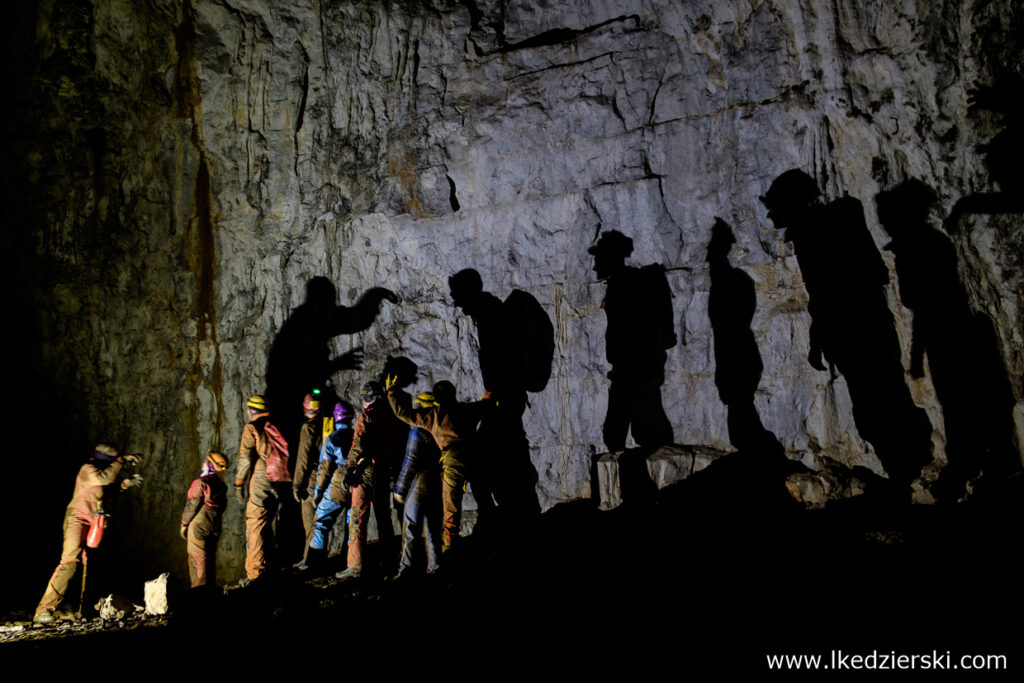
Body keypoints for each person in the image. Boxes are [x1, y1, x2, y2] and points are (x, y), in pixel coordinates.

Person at [587, 230, 677, 452]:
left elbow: (634, 331)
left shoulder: (626, 286)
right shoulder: (623, 284)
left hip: (633, 371)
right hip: (632, 370)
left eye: (599, 259)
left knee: (631, 431)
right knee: (634, 429)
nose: (595, 266)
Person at [34, 444, 143, 624]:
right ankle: (43, 610)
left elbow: (104, 490)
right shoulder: (88, 469)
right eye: (112, 459)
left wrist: (125, 484)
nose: (114, 462)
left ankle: (85, 609)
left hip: (91, 521)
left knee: (88, 564)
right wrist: (122, 460)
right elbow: (104, 478)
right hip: (76, 518)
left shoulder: (97, 473)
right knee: (69, 562)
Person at [386, 378, 494, 552]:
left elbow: (403, 413)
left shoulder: (432, 416)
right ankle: (492, 538)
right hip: (474, 458)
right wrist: (490, 392)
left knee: (451, 508)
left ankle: (450, 549)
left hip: (452, 462)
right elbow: (486, 405)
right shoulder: (467, 410)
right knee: (484, 499)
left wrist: (391, 392)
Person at [336, 382, 408, 581]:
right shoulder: (392, 417)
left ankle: (355, 565)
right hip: (384, 472)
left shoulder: (366, 417)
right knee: (384, 517)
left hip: (365, 472)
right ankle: (389, 561)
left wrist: (347, 470)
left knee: (358, 518)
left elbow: (358, 445)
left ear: (367, 398)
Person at [235, 394, 291, 581]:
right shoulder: (276, 424)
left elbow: (245, 458)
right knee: (267, 525)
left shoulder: (252, 427)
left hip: (262, 477)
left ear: (251, 410)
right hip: (280, 478)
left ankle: (255, 574)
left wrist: (239, 483)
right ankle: (272, 570)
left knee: (255, 523)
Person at [393, 393, 443, 578]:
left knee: (411, 526)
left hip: (419, 483)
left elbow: (410, 460)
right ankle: (435, 568)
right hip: (436, 482)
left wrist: (400, 489)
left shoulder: (417, 431)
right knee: (433, 527)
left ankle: (405, 569)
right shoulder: (438, 428)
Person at [304, 401, 355, 569]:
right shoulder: (357, 436)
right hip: (357, 484)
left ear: (336, 417)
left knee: (320, 522)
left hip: (339, 484)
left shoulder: (332, 438)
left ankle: (315, 564)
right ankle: (349, 561)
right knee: (351, 524)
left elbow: (324, 469)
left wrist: (318, 493)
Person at [180, 451, 229, 588]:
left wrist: (184, 524)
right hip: (215, 523)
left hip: (199, 524)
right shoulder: (221, 485)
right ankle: (210, 593)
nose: (203, 463)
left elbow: (192, 504)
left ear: (210, 465)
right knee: (210, 559)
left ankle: (199, 597)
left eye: (205, 461)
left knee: (198, 560)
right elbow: (223, 506)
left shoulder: (201, 482)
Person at [293, 393, 324, 565]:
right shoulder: (327, 424)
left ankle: (310, 560)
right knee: (320, 521)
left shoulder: (308, 428)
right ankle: (311, 557)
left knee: (311, 521)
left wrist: (297, 484)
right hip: (326, 478)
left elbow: (302, 458)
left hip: (311, 480)